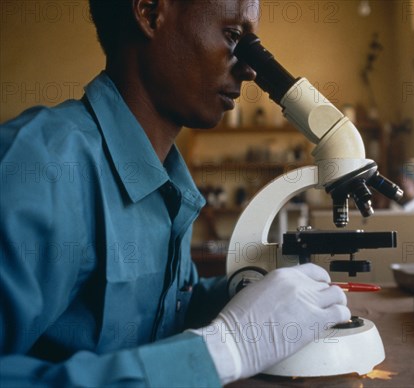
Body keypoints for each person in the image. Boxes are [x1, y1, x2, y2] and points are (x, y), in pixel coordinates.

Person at [0, 1, 350, 386]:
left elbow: (159, 319)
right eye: (233, 36)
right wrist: (226, 349)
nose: (250, 70)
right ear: (150, 14)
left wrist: (246, 292)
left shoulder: (167, 184)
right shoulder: (40, 164)